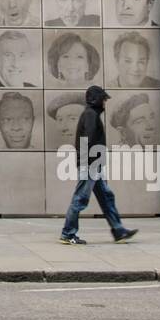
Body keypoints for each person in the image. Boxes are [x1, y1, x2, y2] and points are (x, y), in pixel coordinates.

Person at [60, 85, 139, 245]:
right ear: (95, 99)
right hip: (91, 165)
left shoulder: (91, 114)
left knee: (107, 198)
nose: (105, 102)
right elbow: (87, 140)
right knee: (80, 198)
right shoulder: (90, 115)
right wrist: (89, 165)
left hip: (94, 164)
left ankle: (119, 231)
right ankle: (68, 234)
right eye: (103, 98)